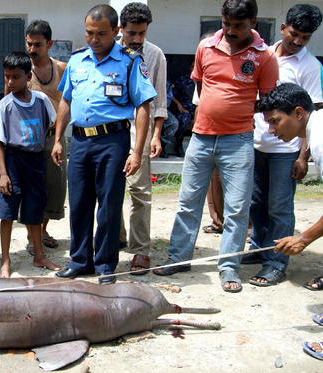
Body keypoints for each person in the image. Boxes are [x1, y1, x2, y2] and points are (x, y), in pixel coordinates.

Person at [153, 0, 279, 293]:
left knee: (236, 208)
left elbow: (269, 98)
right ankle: (178, 258)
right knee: (188, 203)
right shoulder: (206, 47)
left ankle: (229, 267)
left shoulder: (264, 56)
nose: (231, 31)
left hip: (239, 140)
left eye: (239, 25)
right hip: (201, 137)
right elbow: (200, 86)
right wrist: (213, 110)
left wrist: (235, 109)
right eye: (227, 24)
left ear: (253, 22)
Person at [51, 4, 156, 285]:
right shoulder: (77, 61)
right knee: (79, 202)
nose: (93, 39)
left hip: (113, 141)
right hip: (81, 141)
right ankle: (80, 260)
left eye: (100, 34)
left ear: (116, 31)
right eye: (89, 33)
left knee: (109, 204)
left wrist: (136, 151)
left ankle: (106, 265)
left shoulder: (130, 61)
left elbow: (144, 106)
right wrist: (59, 138)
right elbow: (66, 100)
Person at [247, 4, 323, 287]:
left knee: (279, 206)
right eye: (294, 34)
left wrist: (303, 155)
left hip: (285, 150)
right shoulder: (264, 55)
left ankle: (276, 263)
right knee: (257, 202)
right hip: (258, 144)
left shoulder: (311, 67)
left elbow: (311, 112)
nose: (298, 41)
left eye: (305, 37)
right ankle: (261, 249)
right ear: (283, 28)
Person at [256, 82, 323, 360]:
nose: (272, 130)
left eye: (275, 121)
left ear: (298, 113)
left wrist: (304, 238)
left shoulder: (319, 138)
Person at [0, 52, 61, 278]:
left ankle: (39, 255)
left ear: (28, 76)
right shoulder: (5, 105)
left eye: (15, 77)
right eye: (7, 77)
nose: (10, 82)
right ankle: (6, 260)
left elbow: (52, 121)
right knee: (8, 211)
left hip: (35, 161)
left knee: (35, 210)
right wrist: (3, 173)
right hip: (13, 161)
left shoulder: (41, 100)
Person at [117, 2, 167, 275]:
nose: (137, 39)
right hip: (111, 129)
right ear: (121, 29)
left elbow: (159, 98)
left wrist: (155, 136)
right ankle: (118, 236)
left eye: (142, 34)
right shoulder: (109, 50)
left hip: (141, 130)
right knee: (110, 189)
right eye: (132, 33)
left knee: (139, 191)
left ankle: (140, 250)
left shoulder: (155, 54)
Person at [14, 20, 68, 253]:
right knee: (31, 189)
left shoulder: (62, 69)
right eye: (29, 44)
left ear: (49, 44)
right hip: (27, 139)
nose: (32, 49)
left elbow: (67, 103)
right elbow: (10, 103)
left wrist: (59, 138)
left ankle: (42, 229)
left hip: (55, 136)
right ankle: (31, 235)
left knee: (54, 188)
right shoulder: (22, 72)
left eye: (38, 45)